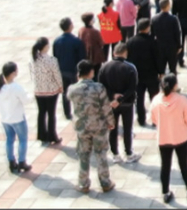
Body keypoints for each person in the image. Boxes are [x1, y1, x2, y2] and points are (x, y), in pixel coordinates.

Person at [67, 60, 116, 194]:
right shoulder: (99, 88)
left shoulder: (72, 89)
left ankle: (83, 183)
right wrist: (111, 121)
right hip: (98, 126)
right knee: (101, 153)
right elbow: (106, 107)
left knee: (83, 154)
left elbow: (70, 99)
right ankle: (105, 182)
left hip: (82, 127)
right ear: (91, 72)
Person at [150, 74, 187, 203]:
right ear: (175, 85)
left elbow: (153, 119)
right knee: (184, 165)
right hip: (181, 136)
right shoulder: (182, 100)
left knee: (165, 166)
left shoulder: (156, 100)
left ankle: (165, 192)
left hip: (164, 138)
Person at [98, 42, 141, 164]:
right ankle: (128, 153)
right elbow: (132, 88)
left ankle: (115, 154)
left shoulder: (104, 67)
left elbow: (101, 86)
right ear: (125, 53)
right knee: (127, 128)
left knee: (113, 129)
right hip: (127, 103)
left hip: (111, 104)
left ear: (114, 53)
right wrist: (120, 99)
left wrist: (112, 96)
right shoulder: (130, 68)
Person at [127, 18, 164, 127]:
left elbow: (128, 59)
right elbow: (158, 58)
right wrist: (161, 71)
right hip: (151, 74)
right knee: (154, 97)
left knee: (139, 98)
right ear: (147, 28)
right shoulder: (153, 41)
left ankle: (141, 119)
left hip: (137, 75)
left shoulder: (131, 41)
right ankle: (155, 120)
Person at [0, 62, 32, 173]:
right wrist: (30, 95)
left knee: (9, 140)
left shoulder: (0, 88)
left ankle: (11, 162)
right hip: (18, 118)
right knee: (23, 140)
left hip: (5, 119)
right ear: (12, 73)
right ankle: (22, 162)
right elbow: (26, 100)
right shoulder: (16, 87)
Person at [30, 38, 63, 146]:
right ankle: (52, 136)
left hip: (38, 90)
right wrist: (60, 86)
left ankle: (42, 135)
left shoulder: (33, 59)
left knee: (41, 112)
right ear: (45, 47)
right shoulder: (51, 60)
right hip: (51, 90)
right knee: (51, 113)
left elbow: (32, 75)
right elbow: (56, 74)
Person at [53, 17, 86, 120]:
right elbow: (82, 58)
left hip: (62, 70)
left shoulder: (57, 41)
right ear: (70, 26)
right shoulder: (76, 41)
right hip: (74, 71)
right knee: (77, 92)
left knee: (65, 93)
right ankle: (78, 111)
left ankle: (67, 113)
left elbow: (55, 56)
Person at [151, 0, 182, 75]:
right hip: (171, 46)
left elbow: (152, 34)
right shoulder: (173, 19)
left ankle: (161, 81)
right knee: (172, 68)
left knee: (161, 69)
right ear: (168, 6)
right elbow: (177, 33)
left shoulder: (154, 18)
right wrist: (179, 45)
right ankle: (173, 81)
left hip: (159, 46)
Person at [78, 13, 106, 80]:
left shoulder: (81, 30)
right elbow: (101, 43)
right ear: (90, 21)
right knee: (96, 74)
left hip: (85, 55)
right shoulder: (95, 31)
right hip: (96, 56)